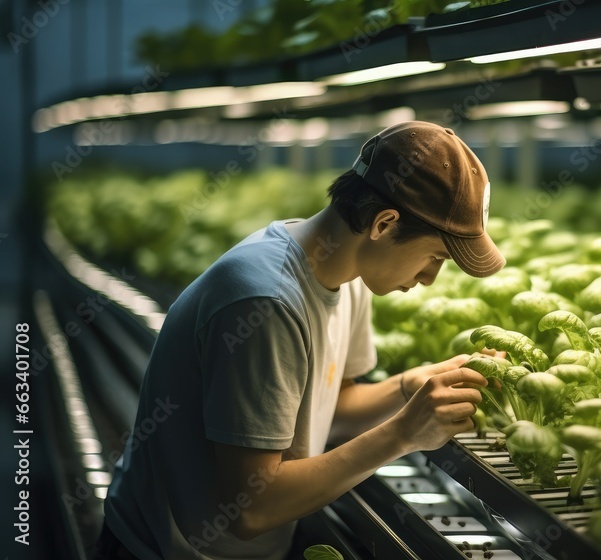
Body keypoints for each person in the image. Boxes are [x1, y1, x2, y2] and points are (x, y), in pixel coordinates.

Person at [96, 121, 506, 560]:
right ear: (384, 224)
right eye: (436, 257)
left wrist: (409, 386)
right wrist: (403, 434)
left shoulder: (346, 274)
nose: (429, 278)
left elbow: (333, 409)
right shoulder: (265, 302)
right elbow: (251, 508)